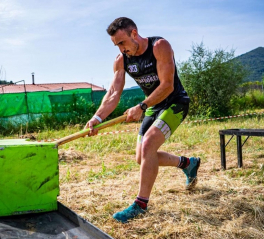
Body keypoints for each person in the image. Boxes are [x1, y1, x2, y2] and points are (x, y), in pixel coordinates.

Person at [85, 17, 200, 223]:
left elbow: (167, 85)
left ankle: (141, 204)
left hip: (175, 103)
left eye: (122, 42)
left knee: (148, 145)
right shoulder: (121, 60)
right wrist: (97, 117)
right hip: (152, 106)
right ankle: (187, 164)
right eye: (116, 45)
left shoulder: (159, 46)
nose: (121, 49)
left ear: (134, 34)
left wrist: (141, 106)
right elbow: (113, 94)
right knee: (143, 158)